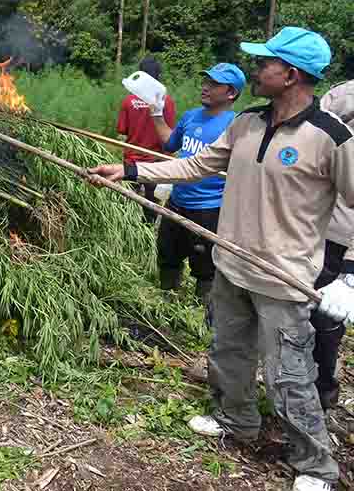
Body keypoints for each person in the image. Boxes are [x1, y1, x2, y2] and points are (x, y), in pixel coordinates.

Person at [91, 27, 354, 491]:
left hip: (284, 277)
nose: (256, 69)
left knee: (288, 376)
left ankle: (315, 467)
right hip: (231, 265)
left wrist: (346, 273)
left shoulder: (332, 138)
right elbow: (197, 165)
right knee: (229, 354)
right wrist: (131, 170)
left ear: (289, 75)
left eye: (263, 63)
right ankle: (237, 421)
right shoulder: (247, 123)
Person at [147, 63, 245, 310]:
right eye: (206, 82)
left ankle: (204, 318)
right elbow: (170, 144)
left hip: (209, 209)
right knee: (167, 256)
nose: (205, 87)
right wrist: (157, 114)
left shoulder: (237, 125)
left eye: (214, 84)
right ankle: (167, 306)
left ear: (231, 93)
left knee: (206, 268)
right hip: (177, 201)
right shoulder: (190, 116)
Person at [312, 79, 354, 410]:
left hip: (343, 242)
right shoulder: (343, 95)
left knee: (326, 322)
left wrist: (351, 270)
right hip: (315, 226)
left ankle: (320, 397)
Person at [116, 55, 176, 223]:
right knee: (151, 205)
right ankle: (148, 232)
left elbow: (122, 130)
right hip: (155, 163)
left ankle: (128, 232)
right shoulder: (167, 102)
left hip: (131, 161)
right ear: (158, 76)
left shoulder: (128, 101)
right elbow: (170, 136)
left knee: (127, 203)